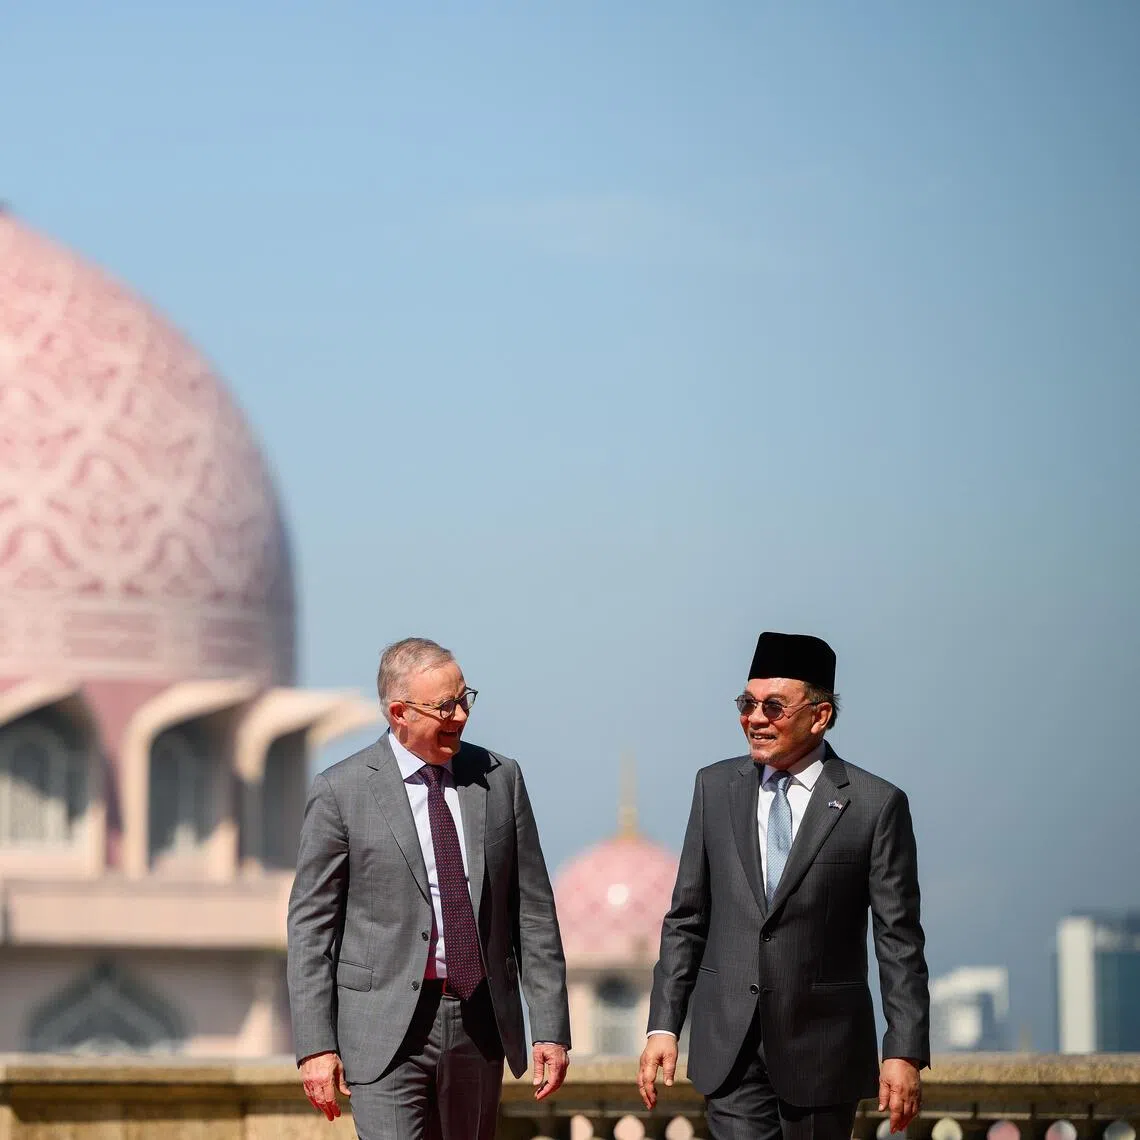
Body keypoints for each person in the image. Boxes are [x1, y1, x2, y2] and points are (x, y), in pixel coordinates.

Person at [638, 631, 929, 1140]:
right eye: (747, 704)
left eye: (773, 707)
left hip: (823, 1050)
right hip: (729, 1048)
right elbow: (687, 917)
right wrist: (663, 1025)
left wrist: (903, 1049)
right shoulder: (714, 787)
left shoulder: (874, 804)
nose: (754, 719)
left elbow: (898, 939)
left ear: (819, 716)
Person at [287, 637, 571, 1140]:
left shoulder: (500, 779)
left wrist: (549, 1026)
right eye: (445, 706)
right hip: (381, 1031)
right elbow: (311, 929)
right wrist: (315, 1046)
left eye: (465, 699)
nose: (461, 716)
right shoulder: (341, 791)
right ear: (399, 712)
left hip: (478, 1024)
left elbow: (533, 913)